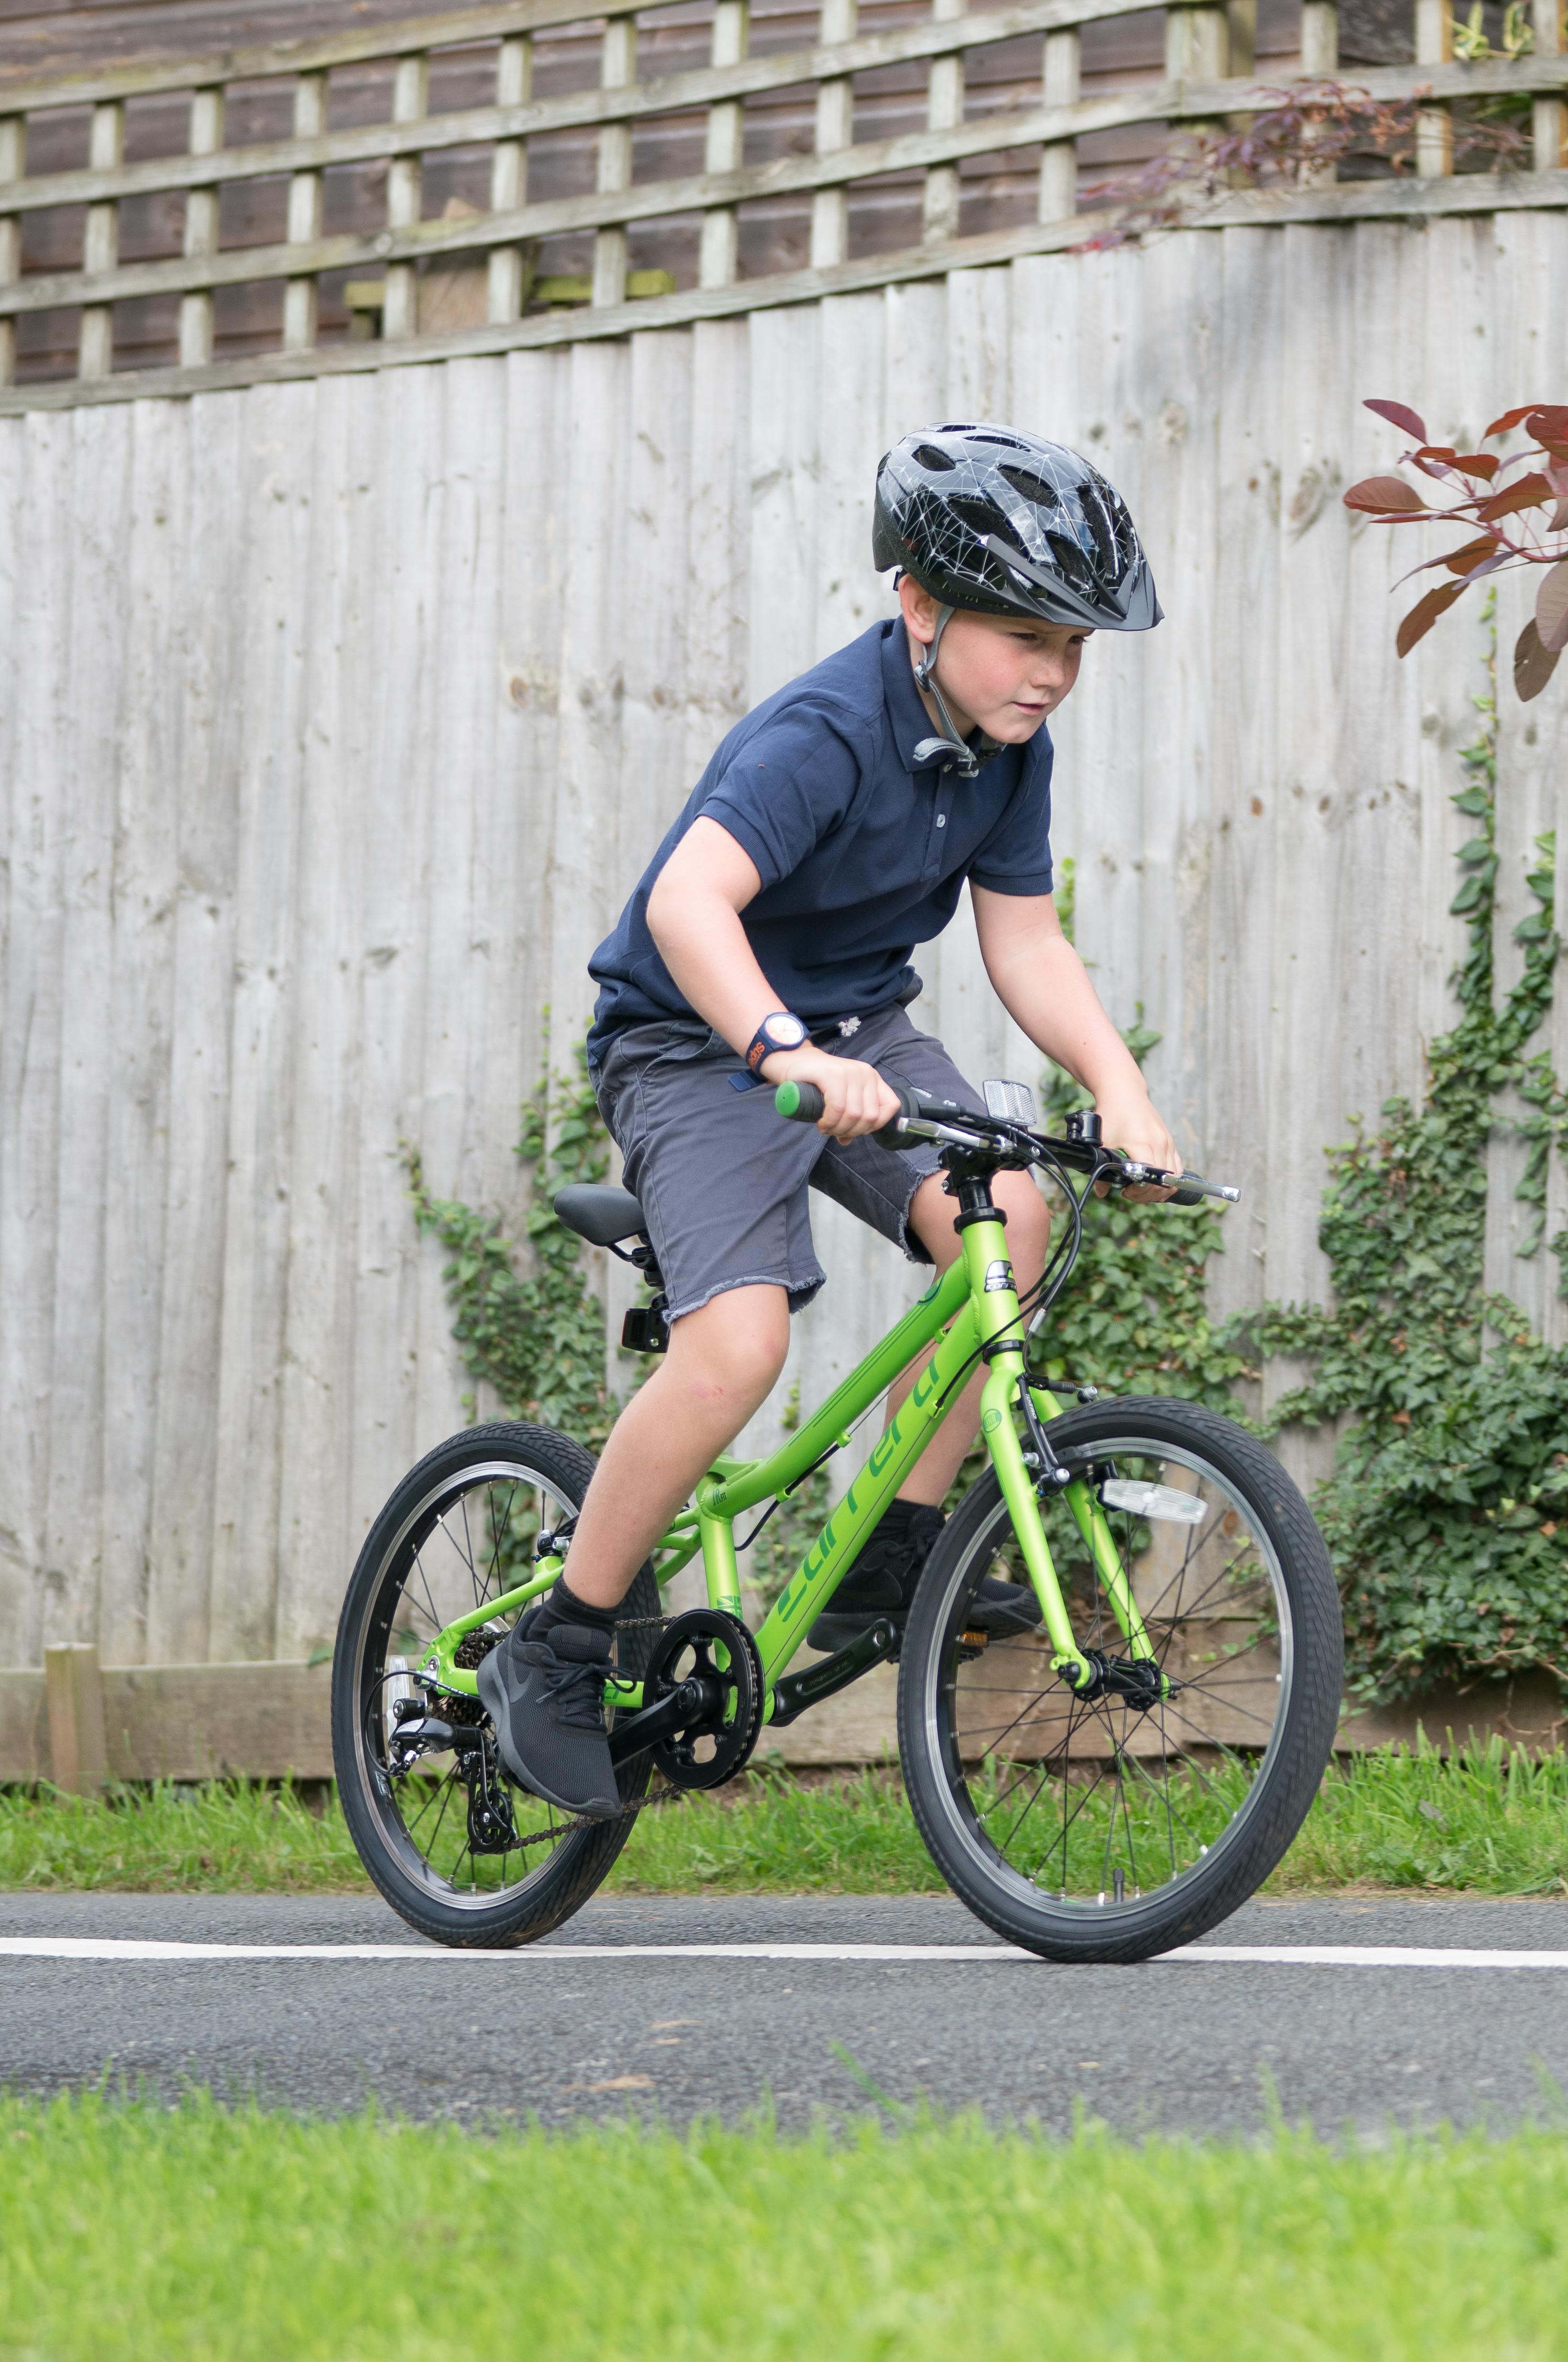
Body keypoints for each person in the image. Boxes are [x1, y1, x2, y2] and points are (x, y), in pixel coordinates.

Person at [481, 424, 1183, 1820]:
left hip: (854, 1033)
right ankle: (555, 1645)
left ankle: (898, 1548)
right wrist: (778, 1044)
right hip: (695, 1041)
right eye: (1024, 633)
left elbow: (1028, 947)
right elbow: (688, 907)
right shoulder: (824, 731)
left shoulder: (1003, 753)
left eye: (1077, 645)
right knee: (738, 1343)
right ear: (920, 605)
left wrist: (1123, 1091)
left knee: (1019, 1215)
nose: (1052, 671)